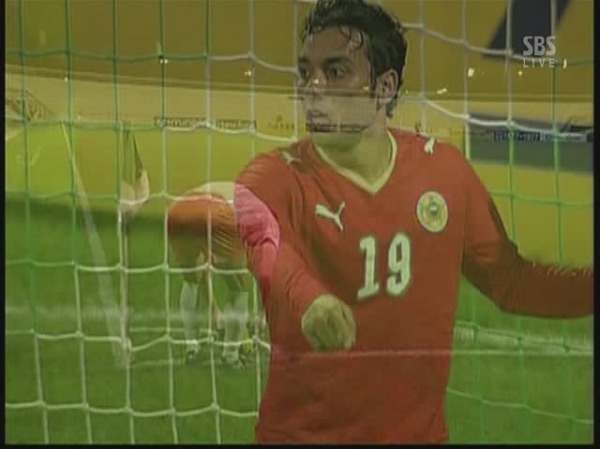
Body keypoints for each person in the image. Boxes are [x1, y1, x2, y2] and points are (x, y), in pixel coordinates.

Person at [232, 0, 593, 443]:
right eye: (305, 72)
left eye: (336, 71)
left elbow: (511, 282)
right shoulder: (271, 176)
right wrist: (309, 299)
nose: (313, 87)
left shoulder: (445, 172)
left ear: (385, 88)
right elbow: (265, 246)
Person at [167, 181, 254, 368]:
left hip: (178, 210)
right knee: (239, 287)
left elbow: (205, 268)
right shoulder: (258, 212)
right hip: (217, 212)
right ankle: (231, 355)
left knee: (191, 279)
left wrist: (215, 313)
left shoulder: (239, 191)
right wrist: (257, 322)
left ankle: (192, 347)